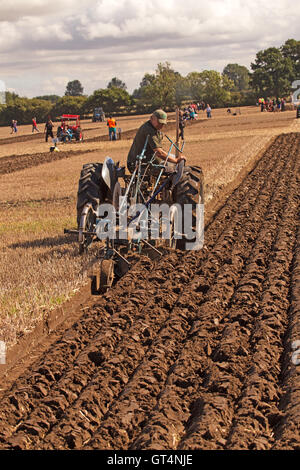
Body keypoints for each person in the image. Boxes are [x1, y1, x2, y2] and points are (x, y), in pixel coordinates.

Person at [127, 109, 187, 173]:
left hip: (149, 160)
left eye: (162, 123)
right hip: (139, 164)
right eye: (159, 122)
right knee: (172, 167)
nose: (161, 125)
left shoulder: (153, 128)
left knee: (172, 161)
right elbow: (159, 152)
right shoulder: (148, 129)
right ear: (152, 118)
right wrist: (176, 160)